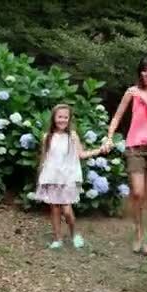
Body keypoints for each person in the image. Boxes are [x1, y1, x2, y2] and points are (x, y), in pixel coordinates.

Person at [103, 54, 147, 254]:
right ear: (140, 72)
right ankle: (138, 233)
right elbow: (117, 117)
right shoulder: (131, 92)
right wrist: (109, 137)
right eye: (144, 70)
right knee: (138, 193)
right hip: (135, 147)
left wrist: (143, 96)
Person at [34, 103, 106, 249]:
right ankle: (57, 238)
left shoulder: (72, 136)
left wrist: (99, 150)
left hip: (68, 178)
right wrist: (40, 176)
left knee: (67, 211)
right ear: (54, 118)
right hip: (52, 178)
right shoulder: (47, 137)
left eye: (66, 117)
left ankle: (74, 234)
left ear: (69, 119)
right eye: (60, 117)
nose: (62, 120)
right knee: (54, 209)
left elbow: (81, 154)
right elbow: (44, 158)